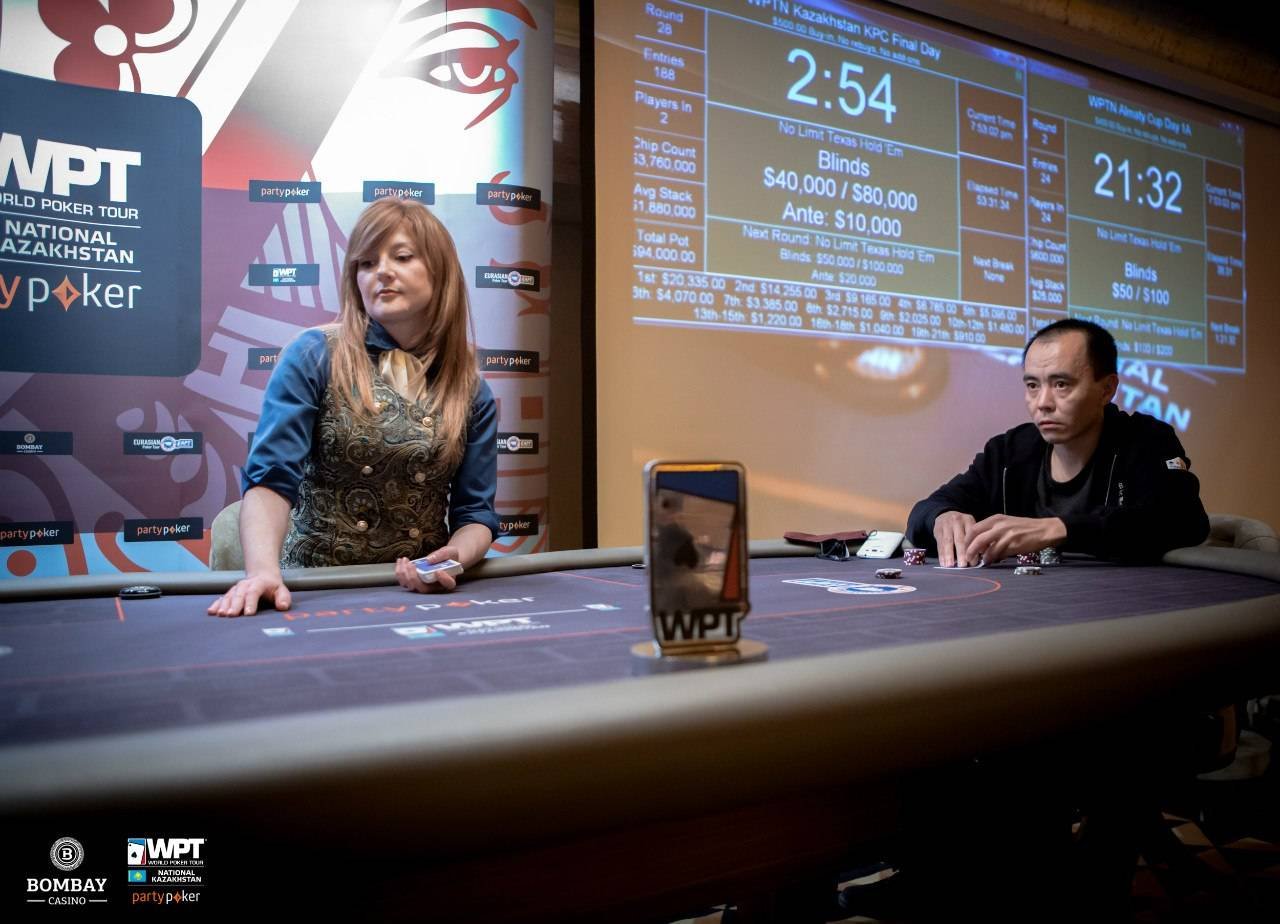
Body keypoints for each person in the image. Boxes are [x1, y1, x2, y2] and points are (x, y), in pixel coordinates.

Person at [208, 198, 498, 617]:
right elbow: (272, 479)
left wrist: (452, 559)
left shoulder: (472, 391)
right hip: (314, 591)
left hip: (421, 597)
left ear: (441, 272)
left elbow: (475, 515)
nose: (381, 271)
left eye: (401, 257)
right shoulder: (313, 355)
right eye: (366, 262)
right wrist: (264, 573)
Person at [906, 318, 1208, 566]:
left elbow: (1184, 521)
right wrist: (941, 517)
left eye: (1061, 384)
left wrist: (1057, 529)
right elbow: (924, 511)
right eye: (1032, 385)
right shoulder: (1009, 451)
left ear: (1107, 389)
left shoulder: (1145, 440)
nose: (1043, 403)